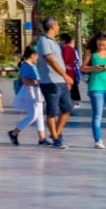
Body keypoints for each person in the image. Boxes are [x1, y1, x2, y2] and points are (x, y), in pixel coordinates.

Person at [37, 16, 73, 148]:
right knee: (52, 111)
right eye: (57, 25)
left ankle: (55, 135)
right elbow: (50, 59)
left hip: (61, 81)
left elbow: (60, 61)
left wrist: (65, 78)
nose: (58, 27)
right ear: (52, 26)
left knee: (67, 108)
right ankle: (56, 139)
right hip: (49, 82)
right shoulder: (43, 41)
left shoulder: (56, 42)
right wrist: (64, 75)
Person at [7, 46, 49, 146]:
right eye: (37, 55)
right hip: (31, 92)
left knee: (39, 116)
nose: (37, 57)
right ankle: (14, 132)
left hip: (36, 92)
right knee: (33, 115)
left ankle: (42, 138)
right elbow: (25, 81)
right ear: (32, 55)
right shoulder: (26, 66)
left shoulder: (31, 65)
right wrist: (36, 81)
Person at [60, 32, 82, 108]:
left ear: (64, 40)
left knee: (67, 89)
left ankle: (68, 106)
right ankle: (71, 105)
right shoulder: (72, 49)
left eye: (61, 40)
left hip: (67, 72)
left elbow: (64, 60)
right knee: (71, 89)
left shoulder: (66, 49)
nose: (60, 42)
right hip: (71, 72)